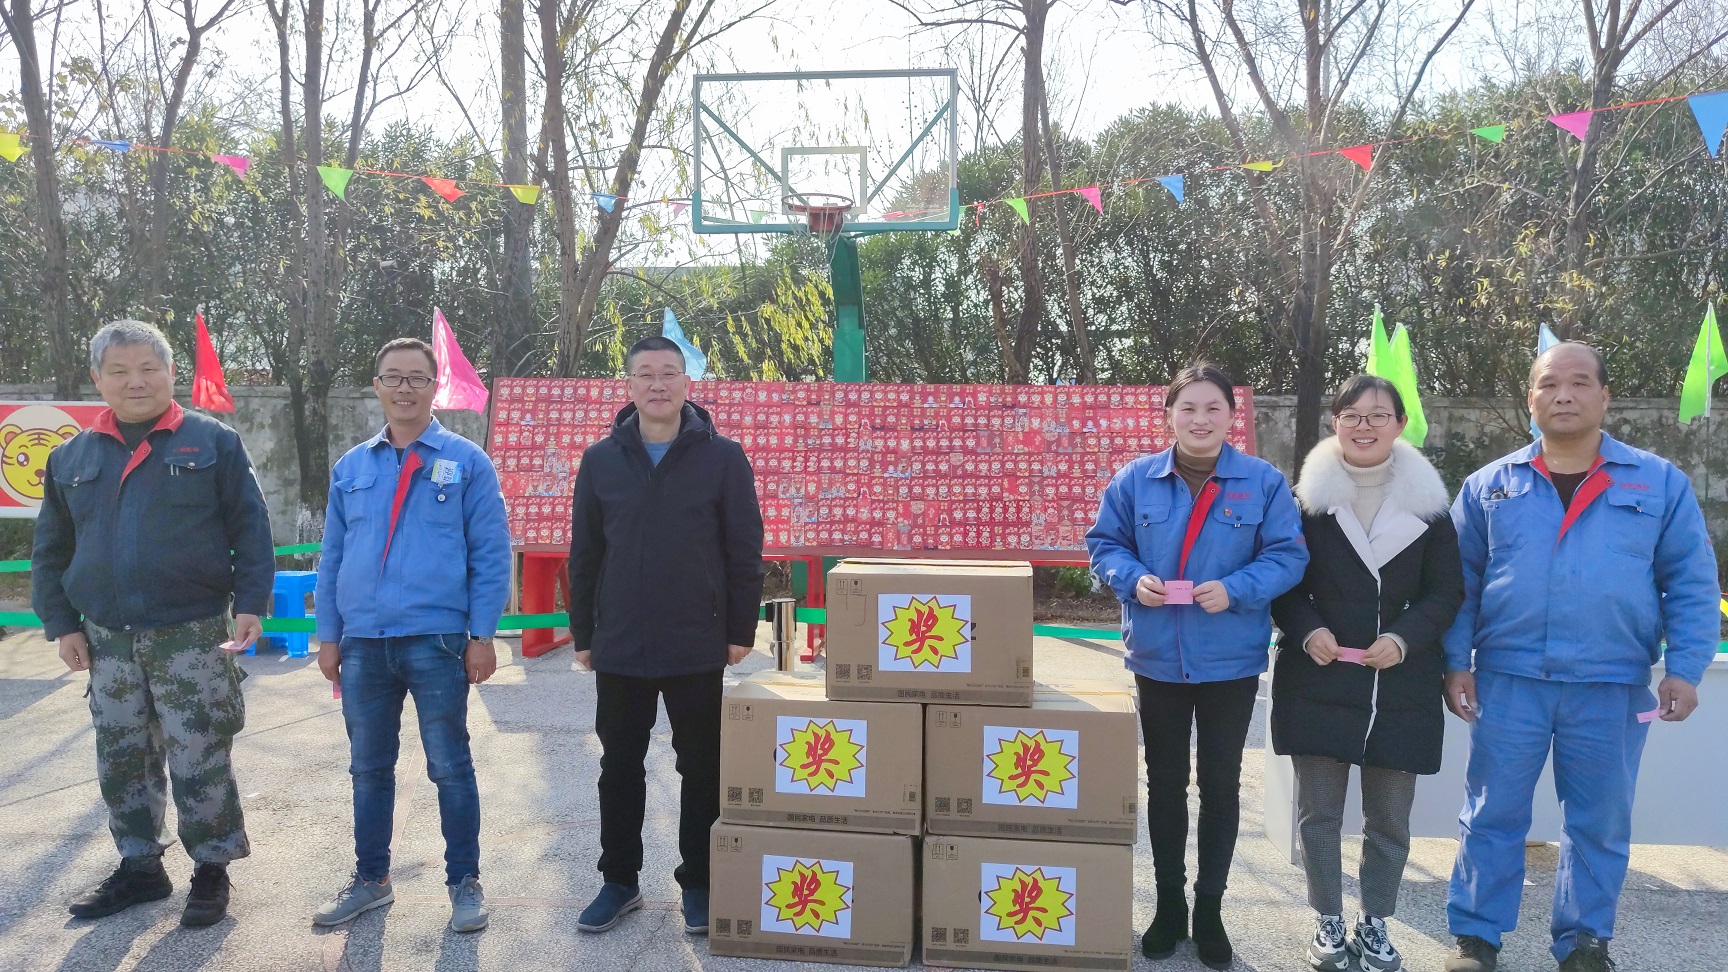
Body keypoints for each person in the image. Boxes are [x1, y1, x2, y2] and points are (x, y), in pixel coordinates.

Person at [1442, 342, 1717, 972]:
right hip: (1510, 679)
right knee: (1492, 812)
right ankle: (1477, 937)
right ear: (1531, 398)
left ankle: (1585, 941)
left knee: (1599, 820)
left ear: (1604, 396)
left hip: (1610, 682)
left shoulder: (1658, 482)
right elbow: (1459, 583)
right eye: (1548, 384)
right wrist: (1456, 661)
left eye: (1579, 382)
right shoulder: (1490, 486)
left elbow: (1691, 581)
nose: (1563, 395)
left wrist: (1684, 668)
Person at [31, 320, 274, 927]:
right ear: (98, 379)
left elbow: (251, 528)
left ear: (170, 373)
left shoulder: (212, 442)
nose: (135, 381)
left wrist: (251, 603)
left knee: (200, 753)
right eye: (119, 371)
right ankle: (140, 867)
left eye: (148, 368)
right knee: (122, 756)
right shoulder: (71, 457)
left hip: (191, 633)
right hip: (107, 638)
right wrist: (62, 624)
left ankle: (211, 870)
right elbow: (51, 550)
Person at [1087, 363, 1309, 971]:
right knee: (1164, 782)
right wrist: (1134, 579)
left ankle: (1209, 908)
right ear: (1169, 416)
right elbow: (1104, 545)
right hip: (1158, 659)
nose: (1201, 419)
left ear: (1232, 415)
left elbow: (1288, 556)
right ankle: (1168, 904)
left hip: (1230, 662)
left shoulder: (1262, 482)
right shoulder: (1135, 480)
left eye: (1213, 407)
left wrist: (1236, 588)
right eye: (1188, 407)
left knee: (1220, 783)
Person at [310, 337, 512, 934]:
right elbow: (332, 556)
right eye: (393, 377)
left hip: (438, 639)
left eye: (417, 378)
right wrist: (329, 635)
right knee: (368, 767)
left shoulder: (467, 462)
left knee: (450, 765)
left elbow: (490, 553)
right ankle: (371, 879)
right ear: (376, 386)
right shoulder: (352, 468)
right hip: (364, 643)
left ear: (434, 387)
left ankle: (464, 883)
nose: (404, 388)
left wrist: (482, 634)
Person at [567, 335, 764, 936]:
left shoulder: (722, 457)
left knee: (701, 766)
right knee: (619, 766)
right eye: (646, 373)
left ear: (686, 383)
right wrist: (583, 634)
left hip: (696, 639)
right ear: (628, 386)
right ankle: (618, 880)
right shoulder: (601, 460)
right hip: (621, 642)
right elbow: (585, 555)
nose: (658, 384)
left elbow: (744, 549)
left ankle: (698, 883)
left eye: (669, 373)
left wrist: (740, 628)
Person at [1271, 375, 1463, 972]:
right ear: (1336, 422)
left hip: (1400, 683)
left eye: (1379, 415)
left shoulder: (1430, 507)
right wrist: (1308, 630)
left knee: (1389, 819)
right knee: (1319, 815)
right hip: (1319, 676)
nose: (1364, 425)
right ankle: (1327, 917)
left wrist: (1404, 639)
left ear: (1400, 424)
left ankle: (1375, 920)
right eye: (1351, 414)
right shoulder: (1304, 502)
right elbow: (1281, 581)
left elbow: (1446, 591)